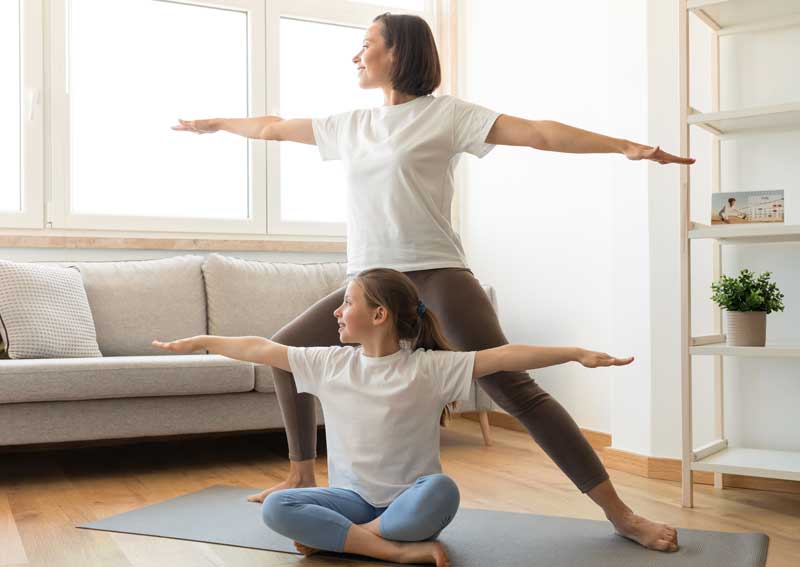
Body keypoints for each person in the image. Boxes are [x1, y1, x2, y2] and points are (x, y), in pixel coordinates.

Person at [172, 11, 690, 553]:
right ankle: (302, 475)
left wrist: (626, 145)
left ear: (397, 52)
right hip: (372, 279)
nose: (357, 55)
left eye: (367, 44)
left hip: (436, 270)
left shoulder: (447, 116)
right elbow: (274, 126)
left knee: (513, 388)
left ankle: (621, 514)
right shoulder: (349, 125)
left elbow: (538, 133)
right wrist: (219, 124)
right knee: (284, 352)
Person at [152, 268, 636, 566]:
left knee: (443, 489)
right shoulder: (328, 362)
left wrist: (576, 353)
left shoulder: (429, 368)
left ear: (379, 315)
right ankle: (391, 550)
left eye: (347, 303)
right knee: (280, 507)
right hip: (353, 502)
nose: (338, 313)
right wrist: (203, 342)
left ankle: (348, 544)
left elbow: (506, 356)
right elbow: (261, 347)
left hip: (412, 504)